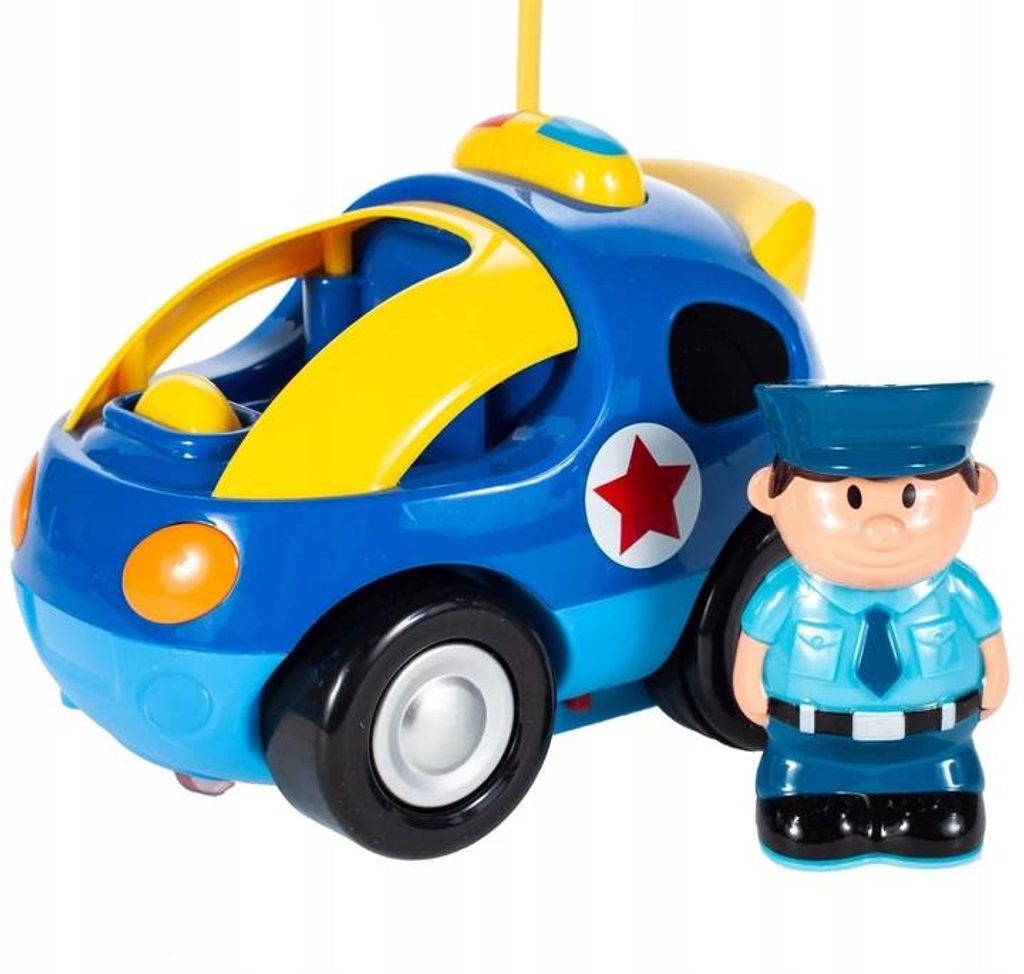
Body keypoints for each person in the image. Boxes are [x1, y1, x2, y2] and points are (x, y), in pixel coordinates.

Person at [734, 382, 1007, 866]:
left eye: (910, 496)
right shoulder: (787, 592)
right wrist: (748, 691)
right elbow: (754, 642)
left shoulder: (957, 589)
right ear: (768, 493)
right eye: (852, 498)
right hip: (811, 749)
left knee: (944, 825)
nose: (884, 529)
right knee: (806, 827)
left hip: (936, 747)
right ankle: (810, 802)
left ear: (979, 488)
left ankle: (931, 800)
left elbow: (990, 637)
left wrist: (998, 682)